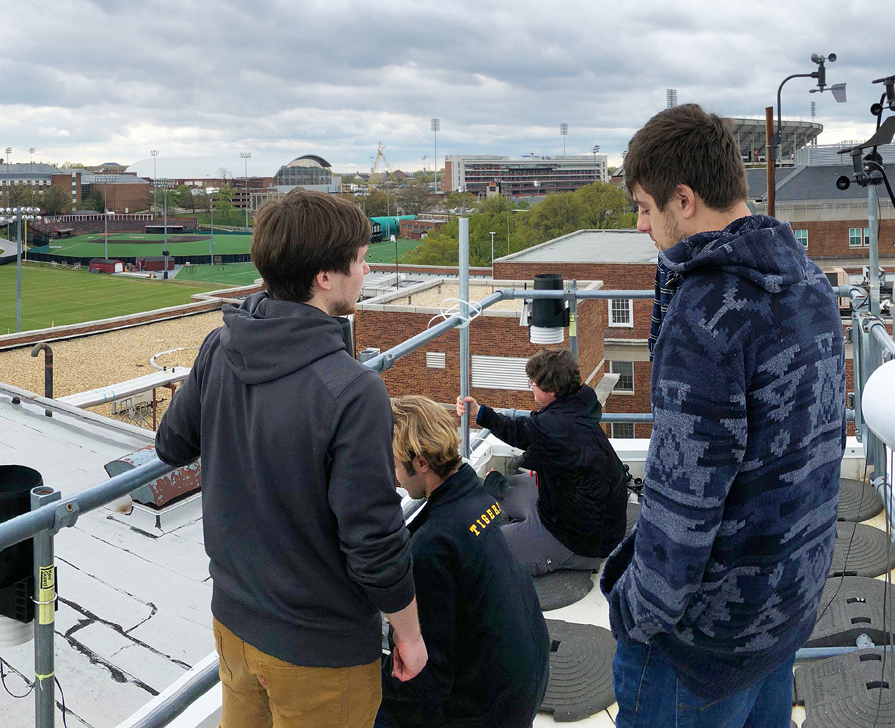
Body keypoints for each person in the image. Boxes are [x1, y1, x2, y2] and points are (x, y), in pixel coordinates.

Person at [601, 104, 845, 728]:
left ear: (682, 199)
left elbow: (684, 499)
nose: (640, 225)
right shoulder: (808, 282)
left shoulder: (707, 313)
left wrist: (636, 610)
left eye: (643, 208)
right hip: (783, 611)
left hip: (702, 647)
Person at [156, 188, 426, 728]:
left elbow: (172, 445)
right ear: (325, 277)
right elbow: (373, 540)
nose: (367, 268)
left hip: (233, 627)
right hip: (317, 652)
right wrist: (410, 634)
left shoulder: (220, 345)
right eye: (360, 257)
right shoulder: (352, 389)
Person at [377, 396, 549, 728]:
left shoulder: (432, 547)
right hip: (526, 685)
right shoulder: (478, 496)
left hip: (489, 713)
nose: (395, 476)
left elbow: (427, 680)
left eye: (396, 463)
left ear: (422, 462)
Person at [457, 348, 628, 577]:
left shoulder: (553, 426)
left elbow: (521, 433)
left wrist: (482, 415)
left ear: (552, 391)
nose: (531, 387)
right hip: (581, 518)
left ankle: (560, 555)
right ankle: (497, 489)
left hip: (577, 543)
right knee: (510, 486)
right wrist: (481, 413)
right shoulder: (580, 405)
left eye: (533, 383)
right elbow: (527, 433)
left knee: (478, 548)